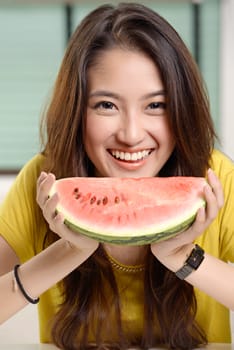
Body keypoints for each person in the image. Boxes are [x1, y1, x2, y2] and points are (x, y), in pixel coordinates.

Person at [0, 2, 233, 349]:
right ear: (77, 110)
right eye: (106, 105)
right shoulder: (46, 181)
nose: (131, 134)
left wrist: (184, 258)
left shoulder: (214, 179)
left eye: (156, 105)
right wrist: (67, 251)